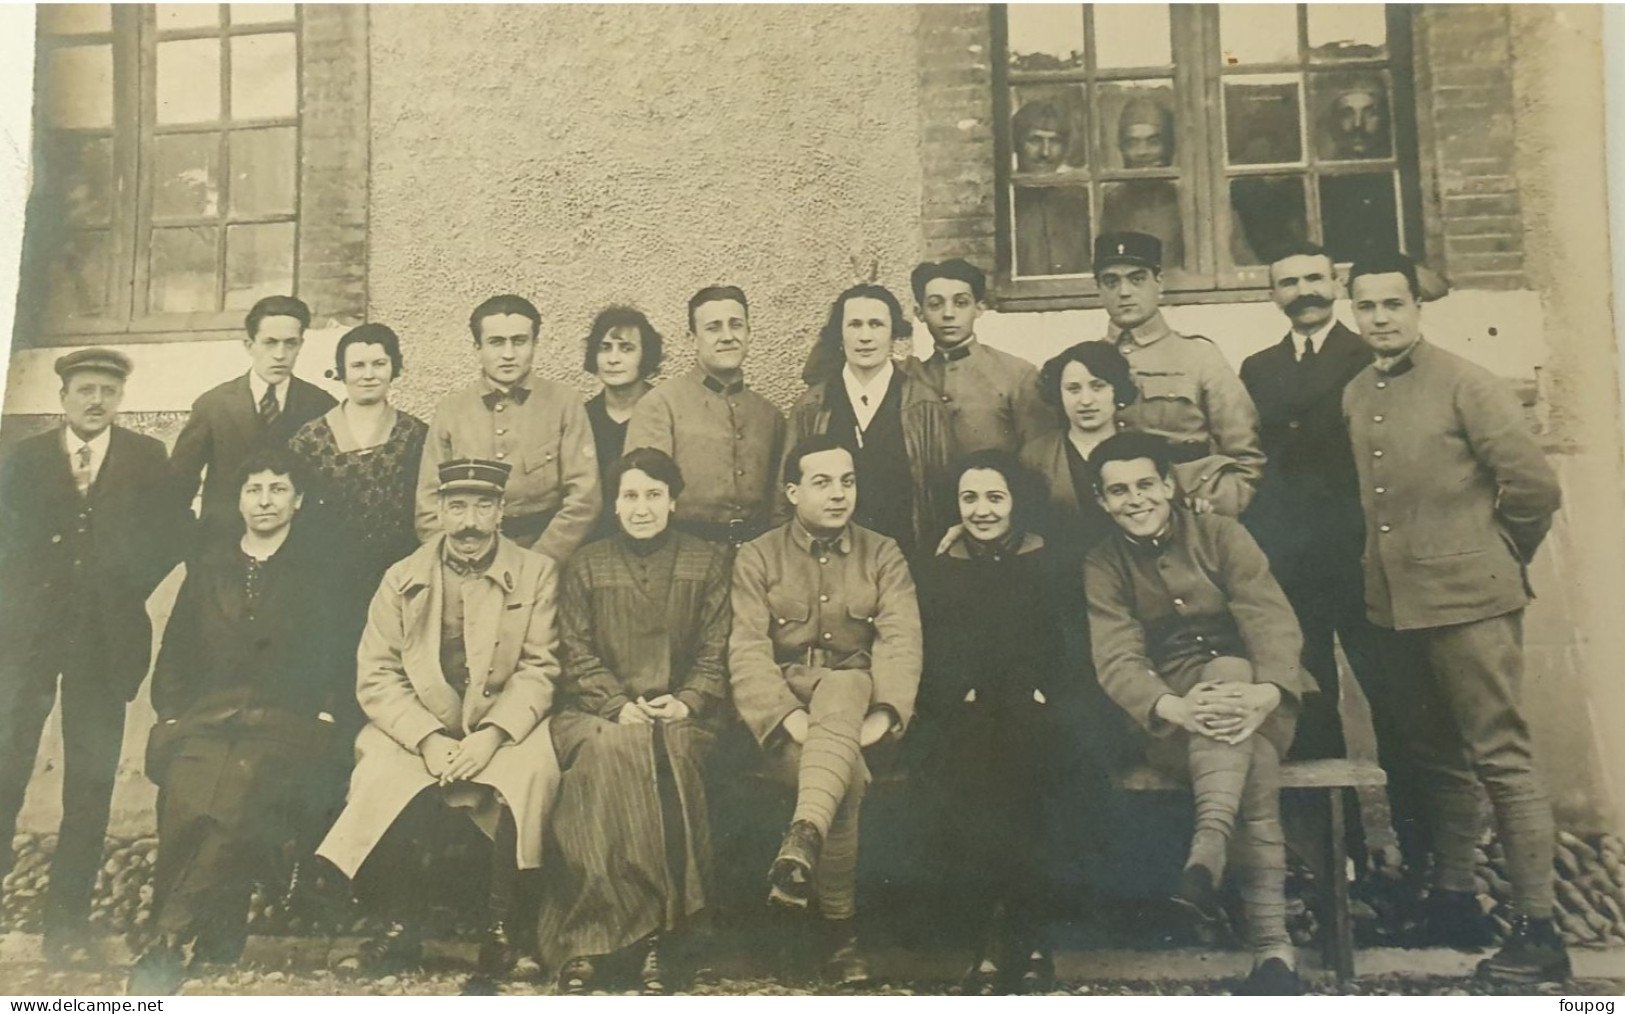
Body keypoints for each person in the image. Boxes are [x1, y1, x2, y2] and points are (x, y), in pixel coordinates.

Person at [1342, 252, 1567, 984]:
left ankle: (1540, 929)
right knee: (1435, 758)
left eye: (1392, 304)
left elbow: (1532, 483)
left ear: (1416, 307)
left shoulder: (1465, 383)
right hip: (1396, 606)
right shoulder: (1354, 392)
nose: (1380, 318)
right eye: (1367, 306)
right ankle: (1454, 898)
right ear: (1354, 311)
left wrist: (1496, 552)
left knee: (1499, 754)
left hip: (1470, 601)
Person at [317, 458, 562, 989]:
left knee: (532, 771)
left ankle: (504, 934)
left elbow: (540, 667)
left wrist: (494, 735)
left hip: (501, 725)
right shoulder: (401, 577)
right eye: (456, 507)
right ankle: (398, 926)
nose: (469, 522)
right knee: (378, 769)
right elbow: (377, 673)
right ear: (439, 511)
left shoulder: (536, 572)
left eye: (481, 507)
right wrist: (426, 738)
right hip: (420, 726)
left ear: (501, 511)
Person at [1084, 431, 1314, 996]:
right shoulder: (1104, 563)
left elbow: (1271, 620)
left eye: (1145, 484)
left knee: (1233, 672)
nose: (1135, 500)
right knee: (1252, 763)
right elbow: (1116, 657)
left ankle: (1207, 846)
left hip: (1260, 699)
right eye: (1118, 491)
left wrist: (1269, 693)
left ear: (1169, 485)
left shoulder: (1221, 534)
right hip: (1171, 718)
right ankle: (1273, 952)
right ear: (1101, 501)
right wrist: (1174, 708)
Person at [128, 448, 353, 994]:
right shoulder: (210, 568)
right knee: (187, 791)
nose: (265, 501)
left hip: (285, 720)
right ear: (238, 499)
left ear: (298, 501)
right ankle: (216, 935)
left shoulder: (319, 572)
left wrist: (325, 714)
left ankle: (167, 939)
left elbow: (339, 653)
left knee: (239, 787)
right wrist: (174, 713)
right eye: (254, 489)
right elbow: (176, 653)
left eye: (278, 489)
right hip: (209, 716)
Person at [0, 349, 185, 964]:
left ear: (120, 398)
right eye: (84, 389)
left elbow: (169, 532)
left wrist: (125, 581)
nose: (96, 400)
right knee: (6, 765)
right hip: (26, 640)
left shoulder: (143, 458)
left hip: (103, 639)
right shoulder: (24, 460)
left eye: (107, 389)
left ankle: (65, 926)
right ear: (64, 397)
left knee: (90, 781)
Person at [728, 434, 922, 987]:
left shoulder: (882, 552)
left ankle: (803, 842)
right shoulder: (759, 556)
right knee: (846, 781)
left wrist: (879, 721)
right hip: (785, 719)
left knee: (845, 684)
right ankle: (841, 935)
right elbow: (746, 650)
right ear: (792, 492)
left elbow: (901, 641)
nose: (839, 494)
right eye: (822, 482)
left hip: (861, 712)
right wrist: (794, 721)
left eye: (848, 481)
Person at [539, 448, 732, 994]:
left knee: (668, 754)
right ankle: (591, 938)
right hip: (595, 712)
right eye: (630, 495)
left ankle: (669, 936)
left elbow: (718, 649)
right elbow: (573, 651)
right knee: (608, 755)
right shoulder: (587, 564)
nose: (641, 507)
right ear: (614, 504)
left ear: (673, 501)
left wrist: (689, 700)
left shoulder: (708, 562)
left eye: (653, 494)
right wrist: (614, 704)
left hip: (682, 715)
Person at [1238, 243, 1394, 859]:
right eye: (1287, 281)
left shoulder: (1367, 356)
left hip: (1362, 560)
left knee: (1393, 700)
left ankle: (1411, 856)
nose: (1302, 290)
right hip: (1291, 561)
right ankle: (1333, 855)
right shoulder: (1257, 367)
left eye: (1312, 278)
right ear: (1272, 293)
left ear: (1336, 283)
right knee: (1308, 698)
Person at [915, 451, 1074, 994]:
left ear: (1016, 502)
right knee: (975, 784)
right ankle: (984, 936)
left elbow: (1065, 645)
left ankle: (1030, 935)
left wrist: (1038, 689)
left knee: (1029, 781)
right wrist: (960, 688)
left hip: (1036, 709)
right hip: (963, 712)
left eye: (994, 497)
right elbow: (932, 649)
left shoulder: (1047, 559)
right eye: (969, 498)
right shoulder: (940, 566)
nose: (981, 511)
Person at [415, 294, 600, 562]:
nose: (508, 354)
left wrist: (539, 561)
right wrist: (460, 560)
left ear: (535, 344)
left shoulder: (564, 403)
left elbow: (584, 499)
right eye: (496, 343)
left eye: (520, 341)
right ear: (477, 347)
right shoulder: (451, 411)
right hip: (468, 559)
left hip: (545, 558)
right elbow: (428, 504)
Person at [1095, 231, 1265, 515]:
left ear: (1158, 282)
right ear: (1098, 289)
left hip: (1189, 512)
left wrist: (1216, 505)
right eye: (1111, 281)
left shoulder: (1199, 356)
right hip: (1111, 517)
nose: (1124, 292)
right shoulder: (1086, 360)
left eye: (1136, 279)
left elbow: (1246, 456)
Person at [781, 283, 954, 557]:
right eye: (854, 325)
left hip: (907, 558)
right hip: (829, 563)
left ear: (893, 332)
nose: (865, 337)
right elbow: (787, 495)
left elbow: (942, 495)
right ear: (840, 334)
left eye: (876, 325)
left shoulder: (923, 405)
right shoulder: (812, 407)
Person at [288, 323, 430, 629]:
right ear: (341, 371)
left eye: (379, 364)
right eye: (357, 365)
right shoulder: (311, 437)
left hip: (397, 573)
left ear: (395, 368)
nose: (369, 375)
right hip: (326, 577)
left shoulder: (415, 434)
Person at [624, 286, 786, 547]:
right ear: (692, 339)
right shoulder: (660, 405)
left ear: (748, 333)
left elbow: (779, 505)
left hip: (755, 558)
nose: (727, 336)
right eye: (713, 328)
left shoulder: (769, 415)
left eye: (736, 325)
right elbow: (645, 498)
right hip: (684, 552)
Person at [169, 295, 337, 537]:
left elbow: (329, 486)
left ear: (301, 345)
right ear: (250, 345)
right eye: (270, 342)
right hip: (224, 545)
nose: (280, 354)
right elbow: (179, 485)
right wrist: (192, 542)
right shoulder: (213, 405)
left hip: (298, 548)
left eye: (290, 343)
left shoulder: (321, 405)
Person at [911, 259, 1053, 456]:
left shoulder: (1017, 375)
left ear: (979, 309)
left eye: (961, 303)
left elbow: (1040, 454)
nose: (949, 314)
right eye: (935, 304)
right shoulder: (910, 377)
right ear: (919, 313)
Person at [582, 305, 664, 499]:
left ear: (646, 355)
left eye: (626, 349)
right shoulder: (583, 417)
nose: (613, 359)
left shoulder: (665, 411)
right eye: (605, 348)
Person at [1100, 96, 1184, 267]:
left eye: (1153, 142)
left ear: (1168, 146)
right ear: (1122, 148)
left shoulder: (1188, 202)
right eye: (1132, 143)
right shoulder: (1109, 204)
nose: (1142, 152)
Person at [1011, 100, 1091, 277]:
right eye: (1034, 140)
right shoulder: (1006, 203)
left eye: (1055, 141)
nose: (1045, 153)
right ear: (1016, 144)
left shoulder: (1081, 202)